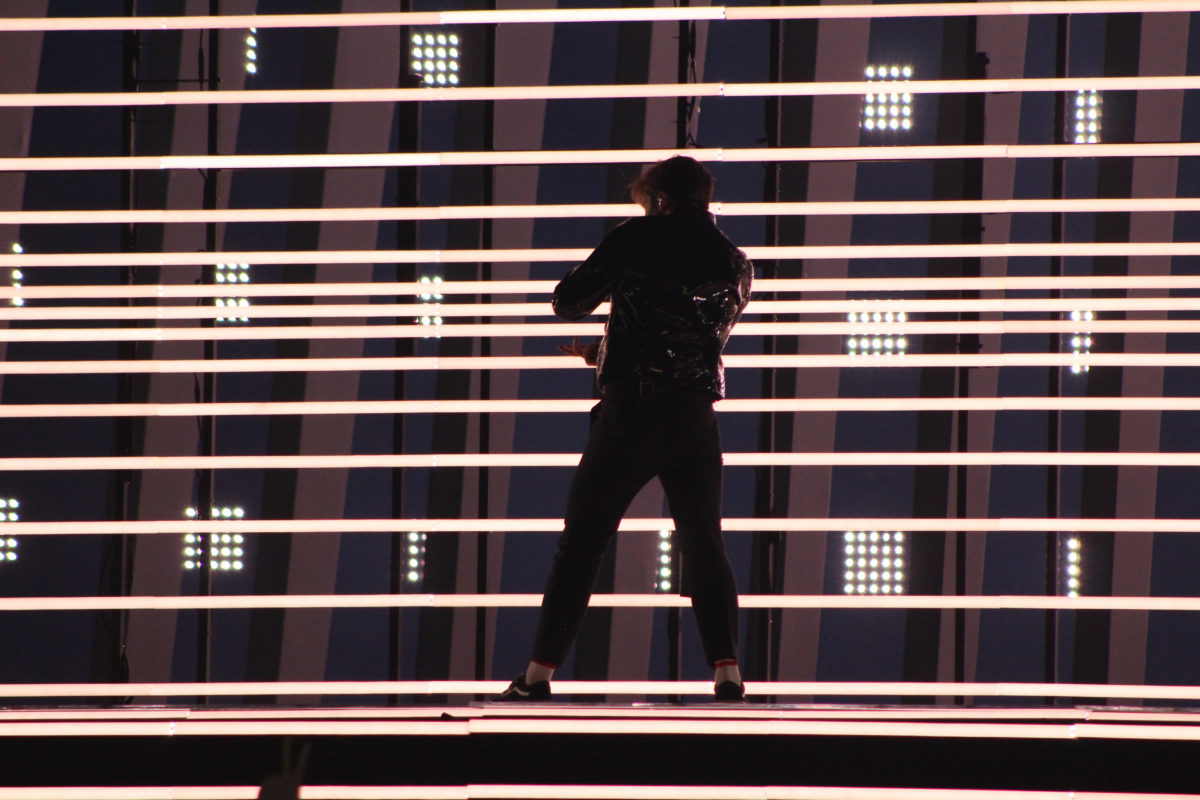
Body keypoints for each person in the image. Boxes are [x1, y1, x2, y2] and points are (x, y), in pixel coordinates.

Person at [498, 155, 754, 703]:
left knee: (582, 544)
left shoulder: (637, 237)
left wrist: (606, 341)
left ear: (658, 197)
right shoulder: (735, 262)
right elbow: (692, 340)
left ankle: (538, 675)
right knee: (703, 543)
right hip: (694, 418)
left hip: (631, 415)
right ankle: (727, 671)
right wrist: (607, 348)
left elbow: (568, 302)